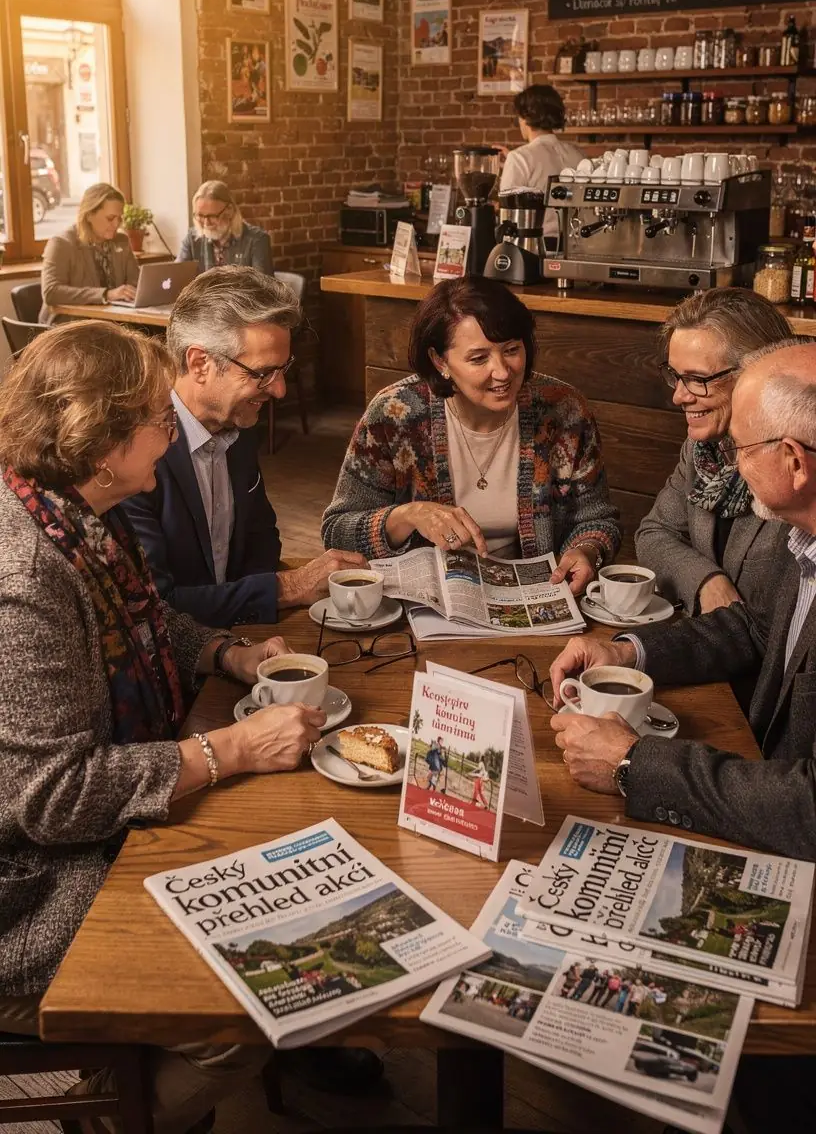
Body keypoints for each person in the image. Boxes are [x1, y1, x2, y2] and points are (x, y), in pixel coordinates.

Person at [0, 321, 327, 1132]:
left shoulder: (84, 510)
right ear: (101, 440)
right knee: (245, 1004)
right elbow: (53, 798)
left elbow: (153, 621)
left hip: (94, 831)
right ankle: (100, 1119)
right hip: (32, 887)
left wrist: (228, 655)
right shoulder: (26, 578)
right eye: (153, 414)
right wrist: (232, 747)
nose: (169, 425)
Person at [549, 338, 816, 860]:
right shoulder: (803, 534)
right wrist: (625, 652)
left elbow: (808, 807)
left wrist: (632, 763)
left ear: (794, 462)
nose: (733, 467)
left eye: (742, 448)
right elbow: (755, 630)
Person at [322, 277, 620, 596]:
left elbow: (598, 519)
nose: (503, 372)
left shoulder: (565, 411)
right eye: (479, 359)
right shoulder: (394, 414)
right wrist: (408, 515)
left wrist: (587, 550)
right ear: (440, 361)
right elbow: (337, 532)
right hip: (427, 603)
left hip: (536, 595)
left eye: (511, 350)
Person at [125, 267, 367, 625]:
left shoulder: (235, 420)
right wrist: (285, 589)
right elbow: (155, 606)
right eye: (261, 373)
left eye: (283, 369)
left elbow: (261, 538)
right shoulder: (133, 453)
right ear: (200, 364)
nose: (280, 390)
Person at [635, 288, 792, 614]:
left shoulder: (794, 461)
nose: (679, 396)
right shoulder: (704, 449)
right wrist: (704, 580)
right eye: (676, 376)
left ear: (758, 373)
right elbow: (653, 534)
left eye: (697, 379)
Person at [40, 181, 139, 323]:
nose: (116, 224)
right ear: (89, 215)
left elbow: (135, 281)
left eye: (119, 218)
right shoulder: (61, 243)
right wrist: (106, 295)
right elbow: (51, 292)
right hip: (68, 326)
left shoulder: (121, 240)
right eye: (110, 218)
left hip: (110, 324)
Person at [498, 83, 585, 198]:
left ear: (524, 118)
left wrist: (514, 162)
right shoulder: (578, 155)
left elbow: (508, 210)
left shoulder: (519, 158)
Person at [178, 179, 273, 274]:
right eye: (200, 216)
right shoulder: (192, 238)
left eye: (212, 216)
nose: (206, 223)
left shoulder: (257, 240)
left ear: (230, 211)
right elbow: (176, 276)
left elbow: (263, 286)